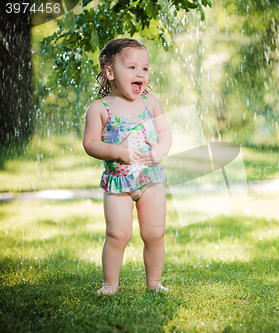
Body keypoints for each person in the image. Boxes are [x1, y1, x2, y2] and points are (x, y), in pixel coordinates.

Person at [82, 38, 172, 294]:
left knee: (154, 234)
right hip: (118, 182)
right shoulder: (100, 108)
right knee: (118, 235)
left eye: (144, 69)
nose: (140, 74)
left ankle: (154, 282)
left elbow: (165, 130)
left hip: (150, 179)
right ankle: (110, 283)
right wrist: (117, 151)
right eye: (132, 68)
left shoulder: (151, 102)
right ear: (110, 73)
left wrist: (160, 150)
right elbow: (90, 143)